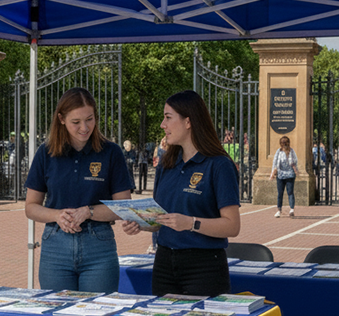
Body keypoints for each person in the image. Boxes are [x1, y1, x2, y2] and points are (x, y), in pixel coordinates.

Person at [122, 90, 240, 297]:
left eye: (168, 117)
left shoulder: (219, 165)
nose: (162, 125)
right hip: (164, 263)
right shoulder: (166, 164)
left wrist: (191, 223)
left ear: (188, 121)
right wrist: (141, 224)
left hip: (204, 267)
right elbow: (162, 220)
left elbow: (232, 226)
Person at [24, 87, 132, 293]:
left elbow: (124, 206)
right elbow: (31, 207)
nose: (85, 127)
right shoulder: (46, 153)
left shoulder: (111, 152)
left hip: (98, 247)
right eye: (76, 122)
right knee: (57, 310)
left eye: (89, 119)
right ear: (61, 119)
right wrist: (57, 215)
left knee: (97, 310)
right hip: (55, 247)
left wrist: (89, 211)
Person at [270, 135, 298, 218]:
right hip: (283, 175)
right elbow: (275, 163)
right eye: (283, 142)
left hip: (287, 175)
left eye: (284, 142)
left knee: (286, 193)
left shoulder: (289, 151)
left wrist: (272, 173)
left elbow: (275, 163)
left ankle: (287, 210)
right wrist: (273, 173)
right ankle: (283, 210)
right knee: (284, 193)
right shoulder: (281, 152)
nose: (284, 144)